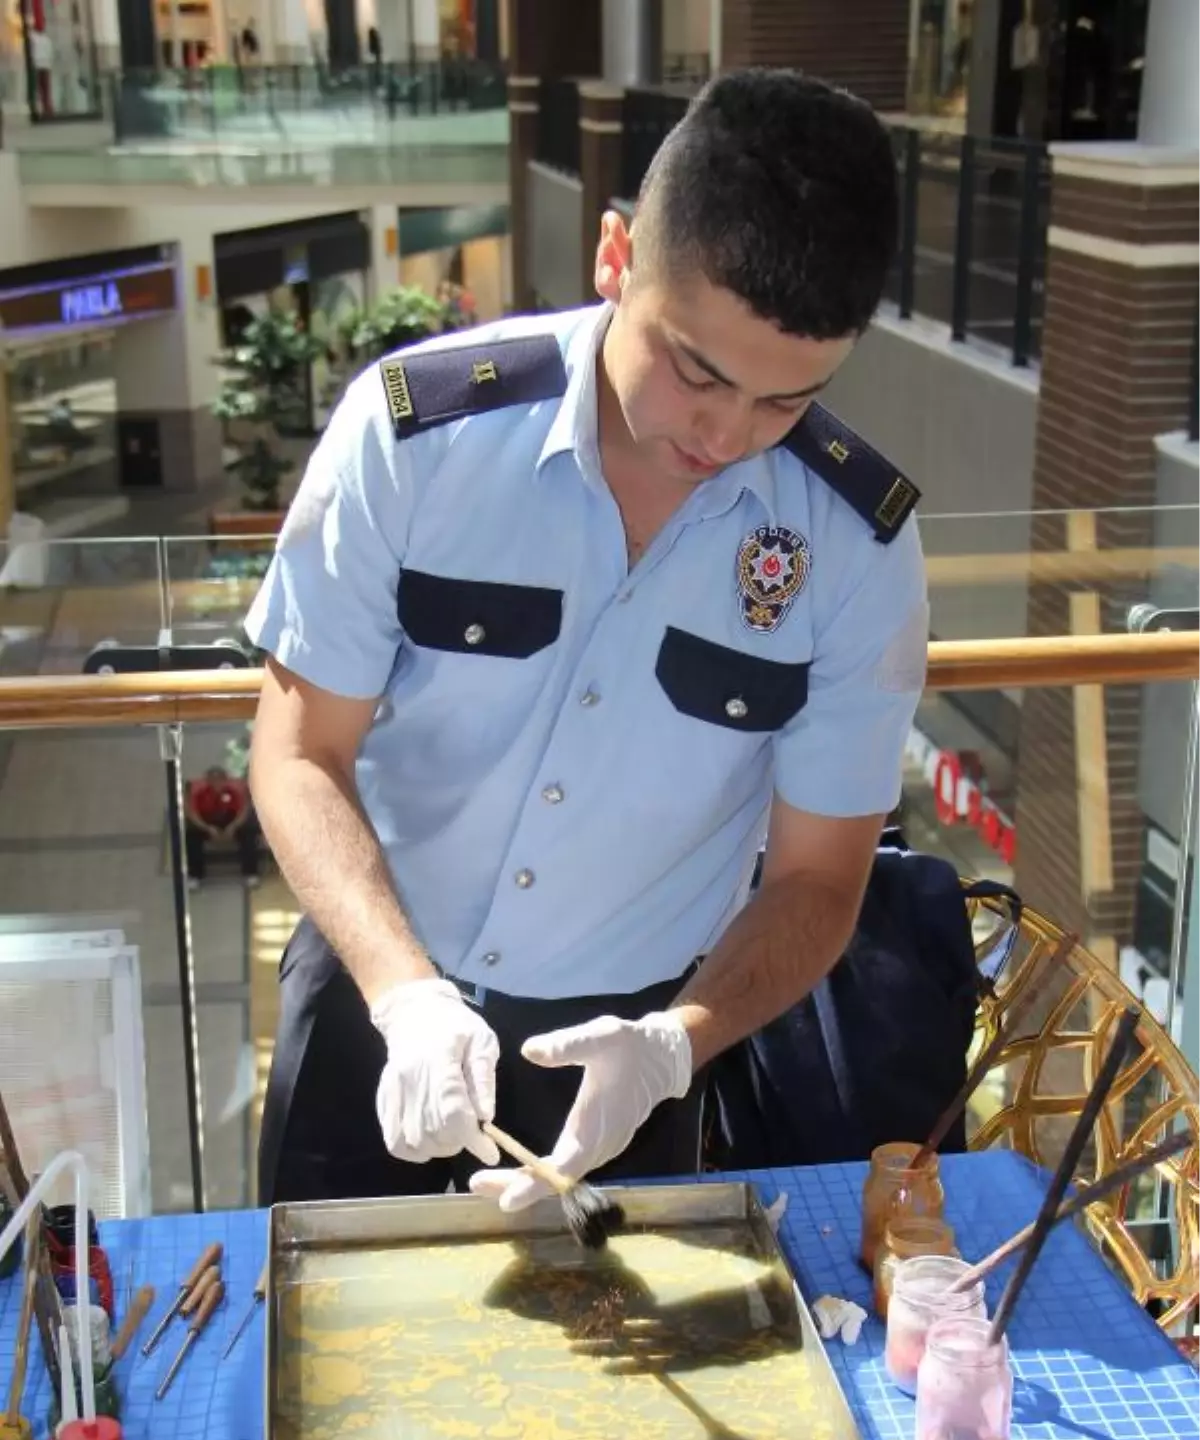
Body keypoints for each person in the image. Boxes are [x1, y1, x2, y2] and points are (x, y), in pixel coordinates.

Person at [244, 70, 929, 1213]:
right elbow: (298, 751)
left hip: (626, 1060)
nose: (726, 434)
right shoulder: (417, 438)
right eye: (697, 369)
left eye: (786, 401)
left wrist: (674, 1046)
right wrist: (405, 996)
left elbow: (819, 880)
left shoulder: (853, 548)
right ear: (615, 258)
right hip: (377, 1004)